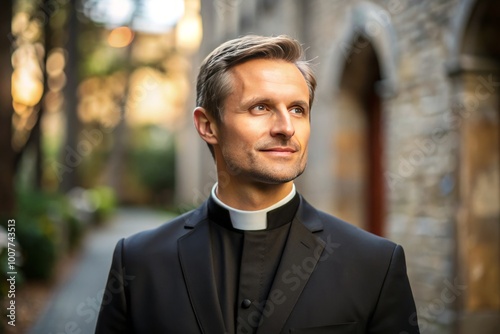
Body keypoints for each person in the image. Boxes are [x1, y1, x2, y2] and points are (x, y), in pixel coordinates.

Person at [95, 35, 420, 334]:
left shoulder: (373, 264)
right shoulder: (138, 261)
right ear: (208, 125)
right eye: (260, 107)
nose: (286, 127)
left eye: (297, 109)